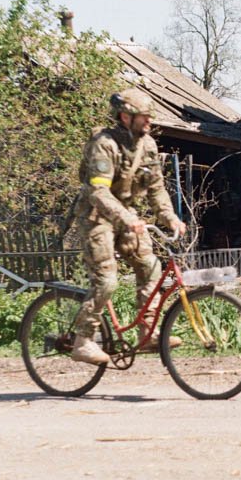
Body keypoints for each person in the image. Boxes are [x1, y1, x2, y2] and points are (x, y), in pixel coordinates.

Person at [70, 88, 186, 364]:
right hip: (96, 218)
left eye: (148, 116)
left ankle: (148, 332)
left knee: (151, 267)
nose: (148, 121)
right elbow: (98, 193)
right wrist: (128, 218)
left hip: (126, 215)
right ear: (125, 117)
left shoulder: (147, 146)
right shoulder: (104, 144)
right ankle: (83, 340)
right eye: (142, 116)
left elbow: (157, 187)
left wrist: (169, 217)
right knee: (107, 281)